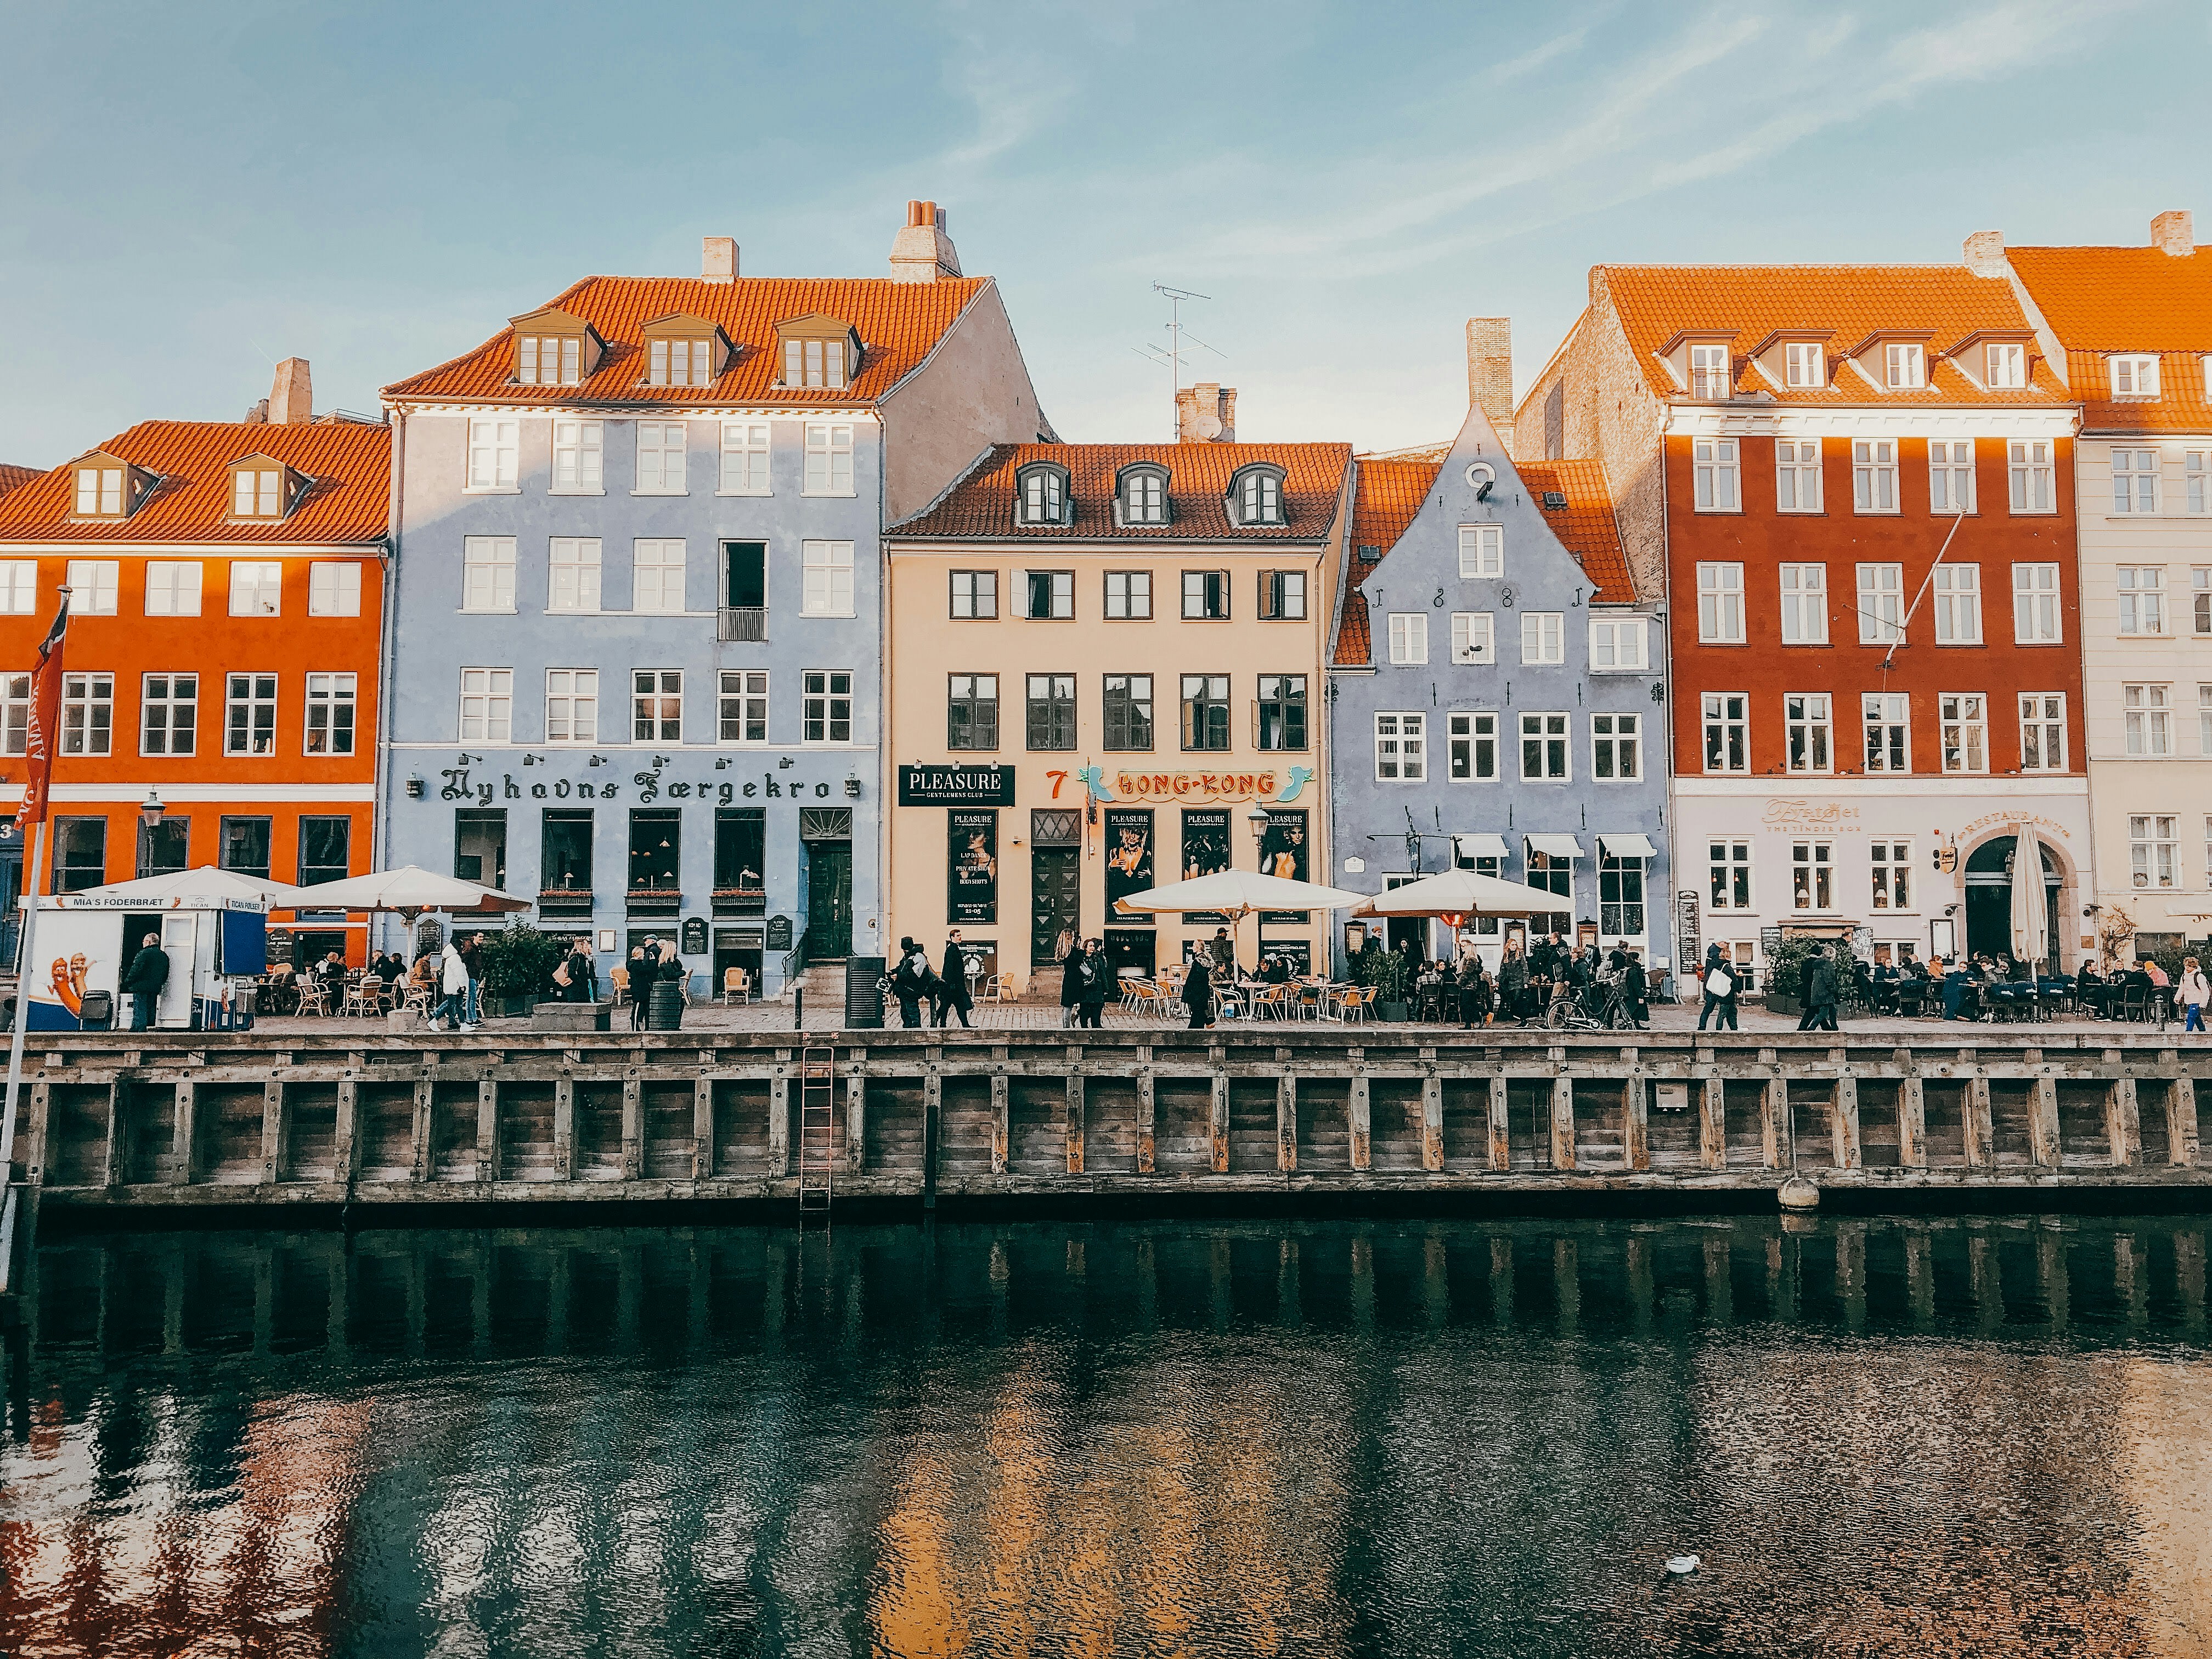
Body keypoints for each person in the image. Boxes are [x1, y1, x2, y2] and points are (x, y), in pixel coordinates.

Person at [123, 931, 169, 1030]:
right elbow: (165, 973)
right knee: (147, 1008)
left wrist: (127, 981)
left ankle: (139, 1030)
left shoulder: (143, 954)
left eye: (144, 941)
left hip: (140, 987)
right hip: (155, 988)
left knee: (139, 1008)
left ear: (148, 942)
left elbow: (136, 970)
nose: (143, 943)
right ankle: (135, 1028)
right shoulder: (163, 956)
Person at [935, 932, 974, 1029]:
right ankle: (940, 1023)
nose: (960, 937)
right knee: (946, 1006)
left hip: (955, 985)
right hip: (952, 986)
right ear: (952, 937)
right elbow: (949, 968)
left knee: (955, 1005)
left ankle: (964, 1024)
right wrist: (951, 984)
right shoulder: (951, 950)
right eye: (958, 936)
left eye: (960, 935)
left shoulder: (954, 949)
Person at [1797, 944, 1840, 1032]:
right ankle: (1807, 1028)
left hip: (1811, 990)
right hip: (1821, 991)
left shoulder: (1807, 962)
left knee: (1819, 1010)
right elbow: (1828, 980)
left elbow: (1802, 976)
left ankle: (1827, 1027)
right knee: (1816, 1011)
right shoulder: (1824, 964)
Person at [890, 936, 930, 1030]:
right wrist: (891, 972)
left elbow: (915, 975)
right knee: (905, 1013)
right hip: (905, 990)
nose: (905, 951)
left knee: (912, 1013)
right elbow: (901, 968)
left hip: (912, 990)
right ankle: (907, 1031)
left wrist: (898, 976)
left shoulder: (918, 957)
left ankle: (915, 1032)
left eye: (906, 949)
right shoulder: (908, 956)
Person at [1697, 945, 1736, 1032]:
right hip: (1725, 992)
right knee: (1726, 1012)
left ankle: (1702, 1027)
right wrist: (1738, 987)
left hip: (1713, 988)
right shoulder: (1726, 966)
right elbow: (1733, 979)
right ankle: (1726, 1030)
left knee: (1708, 1010)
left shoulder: (1712, 961)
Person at [438, 936, 473, 1031]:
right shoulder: (455, 958)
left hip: (453, 985)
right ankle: (435, 1017)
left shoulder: (451, 958)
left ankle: (455, 1023)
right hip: (455, 986)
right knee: (454, 1005)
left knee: (454, 1005)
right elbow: (458, 973)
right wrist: (462, 985)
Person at [1079, 939, 1111, 1030]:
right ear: (1085, 947)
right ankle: (1084, 1028)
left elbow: (1102, 973)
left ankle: (1096, 1027)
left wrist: (1106, 988)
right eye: (1090, 946)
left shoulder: (1097, 959)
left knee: (1097, 1009)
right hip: (1086, 987)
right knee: (1085, 1010)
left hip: (1097, 987)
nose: (1092, 948)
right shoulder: (1081, 959)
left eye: (1093, 946)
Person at [1059, 938, 1089, 1029]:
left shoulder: (1065, 951)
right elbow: (1079, 959)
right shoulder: (1071, 951)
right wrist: (1080, 948)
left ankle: (1068, 1025)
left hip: (1070, 978)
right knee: (1069, 1005)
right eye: (1072, 937)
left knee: (1069, 1005)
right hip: (1074, 980)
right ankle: (1067, 1028)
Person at [1498, 943, 1530, 1026]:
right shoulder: (1506, 956)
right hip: (1510, 982)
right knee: (1513, 1002)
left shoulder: (1520, 955)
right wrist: (1499, 980)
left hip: (1519, 981)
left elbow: (1525, 969)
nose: (1514, 946)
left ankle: (1524, 1020)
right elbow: (1503, 970)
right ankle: (1522, 1019)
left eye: (1515, 945)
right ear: (1508, 946)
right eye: (1512, 945)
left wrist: (1526, 982)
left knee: (1517, 1000)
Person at [1459, 957, 1495, 1029]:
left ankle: (1486, 1014)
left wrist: (1459, 982)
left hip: (1468, 986)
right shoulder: (1476, 961)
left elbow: (1467, 972)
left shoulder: (1469, 960)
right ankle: (1470, 1023)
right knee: (1472, 1004)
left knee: (1465, 1005)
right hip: (1473, 986)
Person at [558, 937, 597, 1003]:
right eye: (587, 946)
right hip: (576, 992)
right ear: (581, 947)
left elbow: (590, 974)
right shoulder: (576, 958)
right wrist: (581, 982)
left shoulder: (587, 959)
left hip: (585, 991)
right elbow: (571, 973)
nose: (590, 948)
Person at [458, 932, 484, 1026]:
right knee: (472, 997)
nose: (482, 938)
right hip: (471, 975)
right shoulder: (470, 949)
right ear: (474, 937)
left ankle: (471, 1019)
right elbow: (464, 961)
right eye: (480, 937)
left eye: (482, 937)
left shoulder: (477, 948)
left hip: (474, 975)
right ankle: (472, 1019)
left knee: (471, 998)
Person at [2178, 956, 2209, 1034]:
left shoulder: (2199, 976)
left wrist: (2203, 1003)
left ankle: (2188, 1031)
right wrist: (2178, 997)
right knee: (2197, 1018)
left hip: (2197, 1000)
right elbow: (2182, 988)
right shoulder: (2184, 977)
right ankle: (2202, 1031)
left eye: (2189, 966)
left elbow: (2205, 991)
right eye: (2186, 966)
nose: (2187, 968)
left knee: (2191, 1017)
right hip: (2189, 1000)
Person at [1182, 951, 1214, 1029]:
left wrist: (1188, 989)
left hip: (1196, 992)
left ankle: (1206, 1023)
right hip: (1203, 992)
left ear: (1198, 948)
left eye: (1194, 945)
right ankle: (1207, 1021)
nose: (1192, 947)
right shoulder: (1206, 964)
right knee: (1199, 1012)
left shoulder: (1198, 963)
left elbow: (1194, 978)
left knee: (1197, 1013)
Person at [625, 944, 653, 1030]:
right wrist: (652, 961)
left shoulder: (636, 964)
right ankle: (635, 1027)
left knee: (645, 1009)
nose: (644, 956)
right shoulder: (635, 965)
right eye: (643, 954)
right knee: (637, 1009)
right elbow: (647, 970)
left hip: (642, 989)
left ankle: (644, 1027)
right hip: (638, 990)